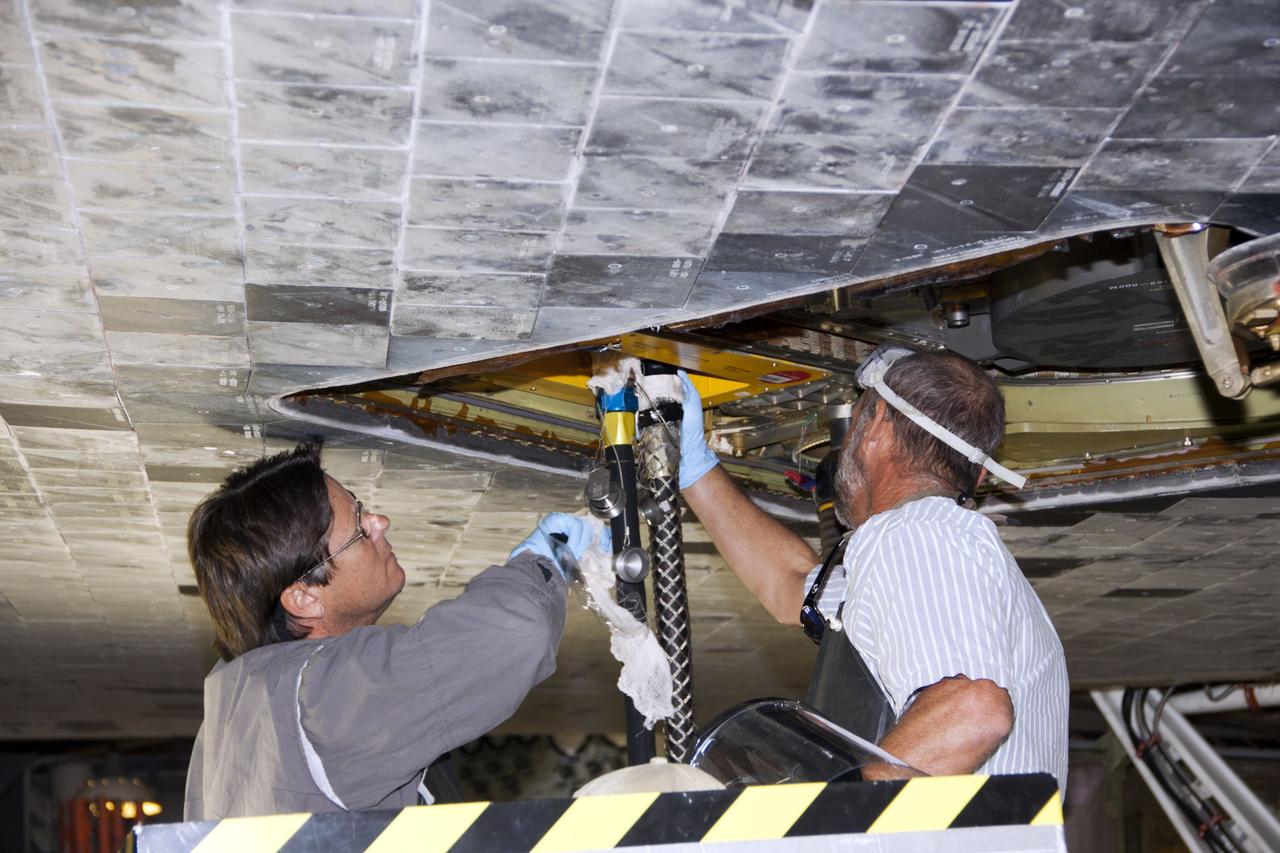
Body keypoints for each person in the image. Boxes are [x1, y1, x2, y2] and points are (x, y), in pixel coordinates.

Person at [677, 348, 1069, 787]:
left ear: (878, 423)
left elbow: (972, 710)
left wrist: (836, 814)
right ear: (977, 476)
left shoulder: (918, 533)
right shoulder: (930, 547)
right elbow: (791, 587)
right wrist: (693, 468)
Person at [182, 442, 602, 819]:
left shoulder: (235, 691)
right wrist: (544, 560)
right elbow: (511, 632)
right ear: (304, 599)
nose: (380, 522)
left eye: (362, 507)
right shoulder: (326, 701)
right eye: (358, 530)